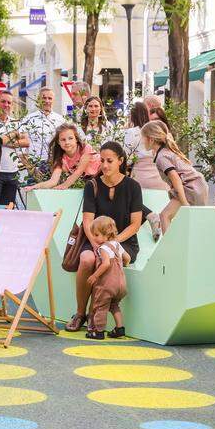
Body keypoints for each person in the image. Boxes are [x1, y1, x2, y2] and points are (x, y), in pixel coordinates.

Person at [67, 141, 143, 332]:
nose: (105, 165)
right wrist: (96, 244)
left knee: (107, 262)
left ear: (121, 161)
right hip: (95, 240)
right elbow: (87, 222)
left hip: (123, 243)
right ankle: (80, 313)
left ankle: (96, 316)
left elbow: (135, 224)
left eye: (110, 161)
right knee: (86, 259)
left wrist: (112, 244)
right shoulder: (92, 185)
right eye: (102, 161)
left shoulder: (133, 186)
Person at [142, 120, 208, 235]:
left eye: (143, 138)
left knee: (164, 216)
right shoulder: (167, 151)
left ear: (151, 139)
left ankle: (169, 249)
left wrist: (184, 203)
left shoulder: (161, 157)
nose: (142, 141)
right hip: (198, 185)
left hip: (190, 187)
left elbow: (175, 178)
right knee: (189, 223)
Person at [85, 215, 129, 340]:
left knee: (101, 306)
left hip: (107, 284)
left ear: (106, 234)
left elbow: (106, 264)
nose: (94, 237)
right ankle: (120, 328)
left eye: (96, 235)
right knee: (114, 305)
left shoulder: (103, 248)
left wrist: (94, 275)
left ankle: (98, 331)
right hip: (121, 284)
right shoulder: (117, 245)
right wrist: (121, 264)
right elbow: (128, 259)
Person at [23, 124, 100, 192]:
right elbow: (53, 181)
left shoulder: (85, 148)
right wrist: (34, 187)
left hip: (103, 172)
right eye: (63, 140)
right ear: (58, 142)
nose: (67, 142)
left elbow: (79, 171)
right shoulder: (61, 159)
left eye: (70, 138)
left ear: (76, 139)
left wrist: (64, 185)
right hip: (92, 180)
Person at [17, 87, 66, 166]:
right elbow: (21, 148)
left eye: (50, 98)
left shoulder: (61, 121)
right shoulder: (28, 119)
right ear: (38, 100)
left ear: (53, 100)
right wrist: (30, 167)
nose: (47, 101)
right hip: (34, 164)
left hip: (55, 163)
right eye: (44, 98)